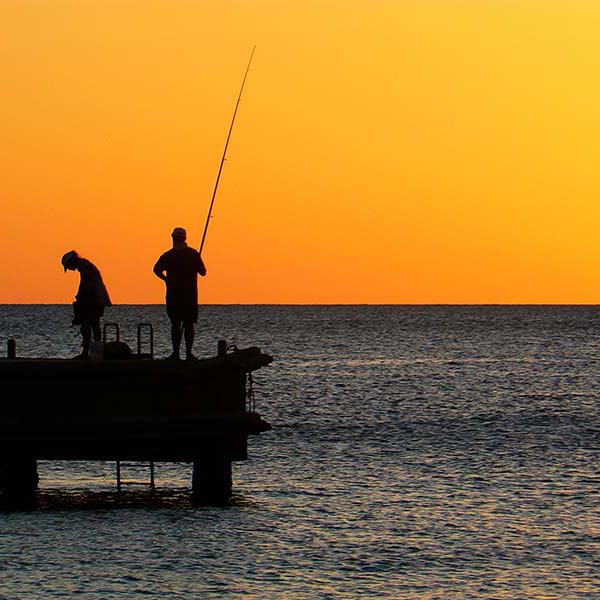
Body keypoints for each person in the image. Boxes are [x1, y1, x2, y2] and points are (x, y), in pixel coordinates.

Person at [153, 227, 206, 360]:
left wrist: (166, 279)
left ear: (173, 239)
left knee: (175, 324)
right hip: (190, 295)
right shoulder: (193, 254)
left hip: (173, 295)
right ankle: (188, 354)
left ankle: (176, 354)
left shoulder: (168, 255)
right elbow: (203, 272)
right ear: (185, 239)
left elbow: (156, 269)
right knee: (189, 324)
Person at [62, 250, 112, 359]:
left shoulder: (84, 267)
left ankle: (90, 353)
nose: (70, 269)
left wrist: (80, 300)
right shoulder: (84, 266)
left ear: (72, 262)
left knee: (89, 325)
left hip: (95, 301)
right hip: (96, 300)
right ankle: (95, 353)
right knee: (93, 326)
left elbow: (87, 286)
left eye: (68, 266)